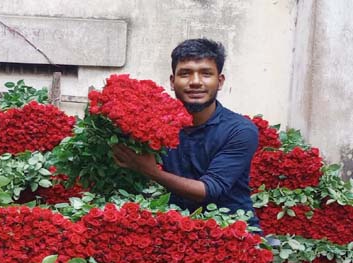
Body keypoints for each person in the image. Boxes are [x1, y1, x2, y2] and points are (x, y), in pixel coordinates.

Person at [111, 38, 261, 229]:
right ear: (173, 82)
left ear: (220, 81)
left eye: (206, 74)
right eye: (185, 74)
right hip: (172, 229)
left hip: (231, 233)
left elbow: (209, 189)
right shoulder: (155, 123)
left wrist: (149, 170)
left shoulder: (239, 130)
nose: (195, 82)